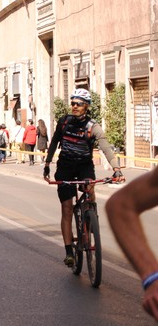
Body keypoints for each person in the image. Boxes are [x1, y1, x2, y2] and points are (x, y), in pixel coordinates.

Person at [43, 88, 124, 267]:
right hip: (65, 167)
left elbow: (106, 148)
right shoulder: (64, 122)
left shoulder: (93, 127)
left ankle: (90, 216)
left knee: (90, 191)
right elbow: (55, 142)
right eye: (72, 103)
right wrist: (48, 164)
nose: (74, 106)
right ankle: (69, 252)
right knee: (66, 208)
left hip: (84, 166)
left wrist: (116, 168)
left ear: (86, 106)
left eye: (78, 104)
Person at [106, 168, 158, 321]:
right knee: (67, 207)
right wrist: (152, 278)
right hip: (69, 169)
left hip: (84, 168)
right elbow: (121, 205)